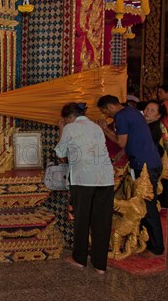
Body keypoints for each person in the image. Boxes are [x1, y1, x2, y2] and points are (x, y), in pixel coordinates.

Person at [97, 95, 164, 256]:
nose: (106, 115)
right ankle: (150, 241)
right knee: (144, 204)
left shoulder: (121, 116)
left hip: (145, 166)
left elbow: (121, 142)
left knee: (147, 204)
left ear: (110, 107)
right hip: (148, 162)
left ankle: (157, 245)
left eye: (104, 111)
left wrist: (105, 129)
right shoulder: (131, 111)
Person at [54, 102, 114, 274]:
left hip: (83, 179)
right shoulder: (96, 127)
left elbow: (60, 153)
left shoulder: (70, 128)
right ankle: (100, 265)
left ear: (68, 118)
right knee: (102, 221)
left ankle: (79, 259)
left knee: (82, 219)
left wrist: (61, 129)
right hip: (105, 179)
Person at [143, 100, 168, 207]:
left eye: (152, 110)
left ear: (159, 115)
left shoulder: (155, 128)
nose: (148, 112)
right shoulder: (146, 125)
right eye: (147, 109)